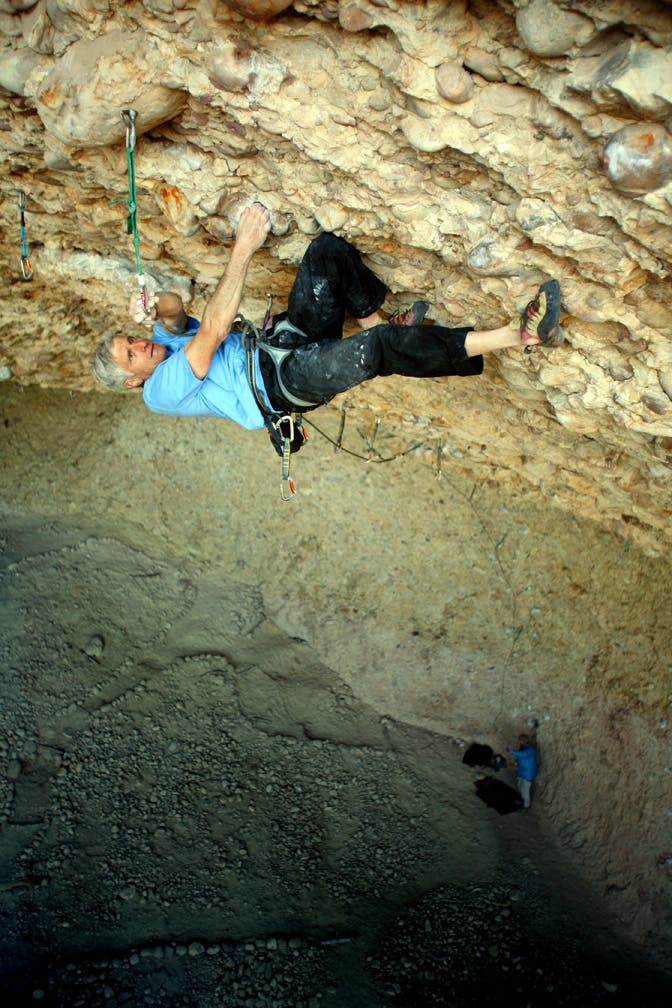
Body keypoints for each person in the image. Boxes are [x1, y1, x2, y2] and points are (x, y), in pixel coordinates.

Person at [91, 202, 563, 429]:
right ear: (133, 380)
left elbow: (177, 317)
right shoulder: (159, 391)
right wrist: (244, 246)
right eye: (130, 355)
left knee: (325, 253)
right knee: (374, 354)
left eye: (130, 341)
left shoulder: (161, 344)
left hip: (280, 342)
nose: (140, 346)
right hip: (281, 383)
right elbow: (212, 329)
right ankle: (515, 335)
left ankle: (379, 321)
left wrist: (156, 302)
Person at [510, 733, 538, 809]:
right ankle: (522, 801)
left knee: (525, 791)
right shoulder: (525, 747)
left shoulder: (529, 749)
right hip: (522, 773)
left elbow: (523, 754)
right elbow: (522, 758)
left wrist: (511, 751)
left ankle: (526, 805)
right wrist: (516, 763)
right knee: (520, 786)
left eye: (520, 741)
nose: (519, 742)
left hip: (527, 774)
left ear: (523, 741)